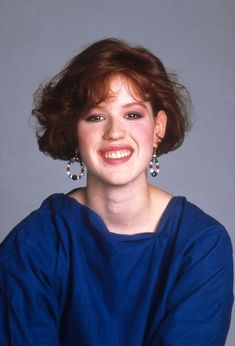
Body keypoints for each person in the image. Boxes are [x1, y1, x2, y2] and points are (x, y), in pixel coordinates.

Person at [0, 38, 233, 346]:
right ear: (73, 131)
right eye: (96, 116)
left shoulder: (202, 245)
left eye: (133, 114)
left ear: (158, 127)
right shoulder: (33, 244)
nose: (114, 132)